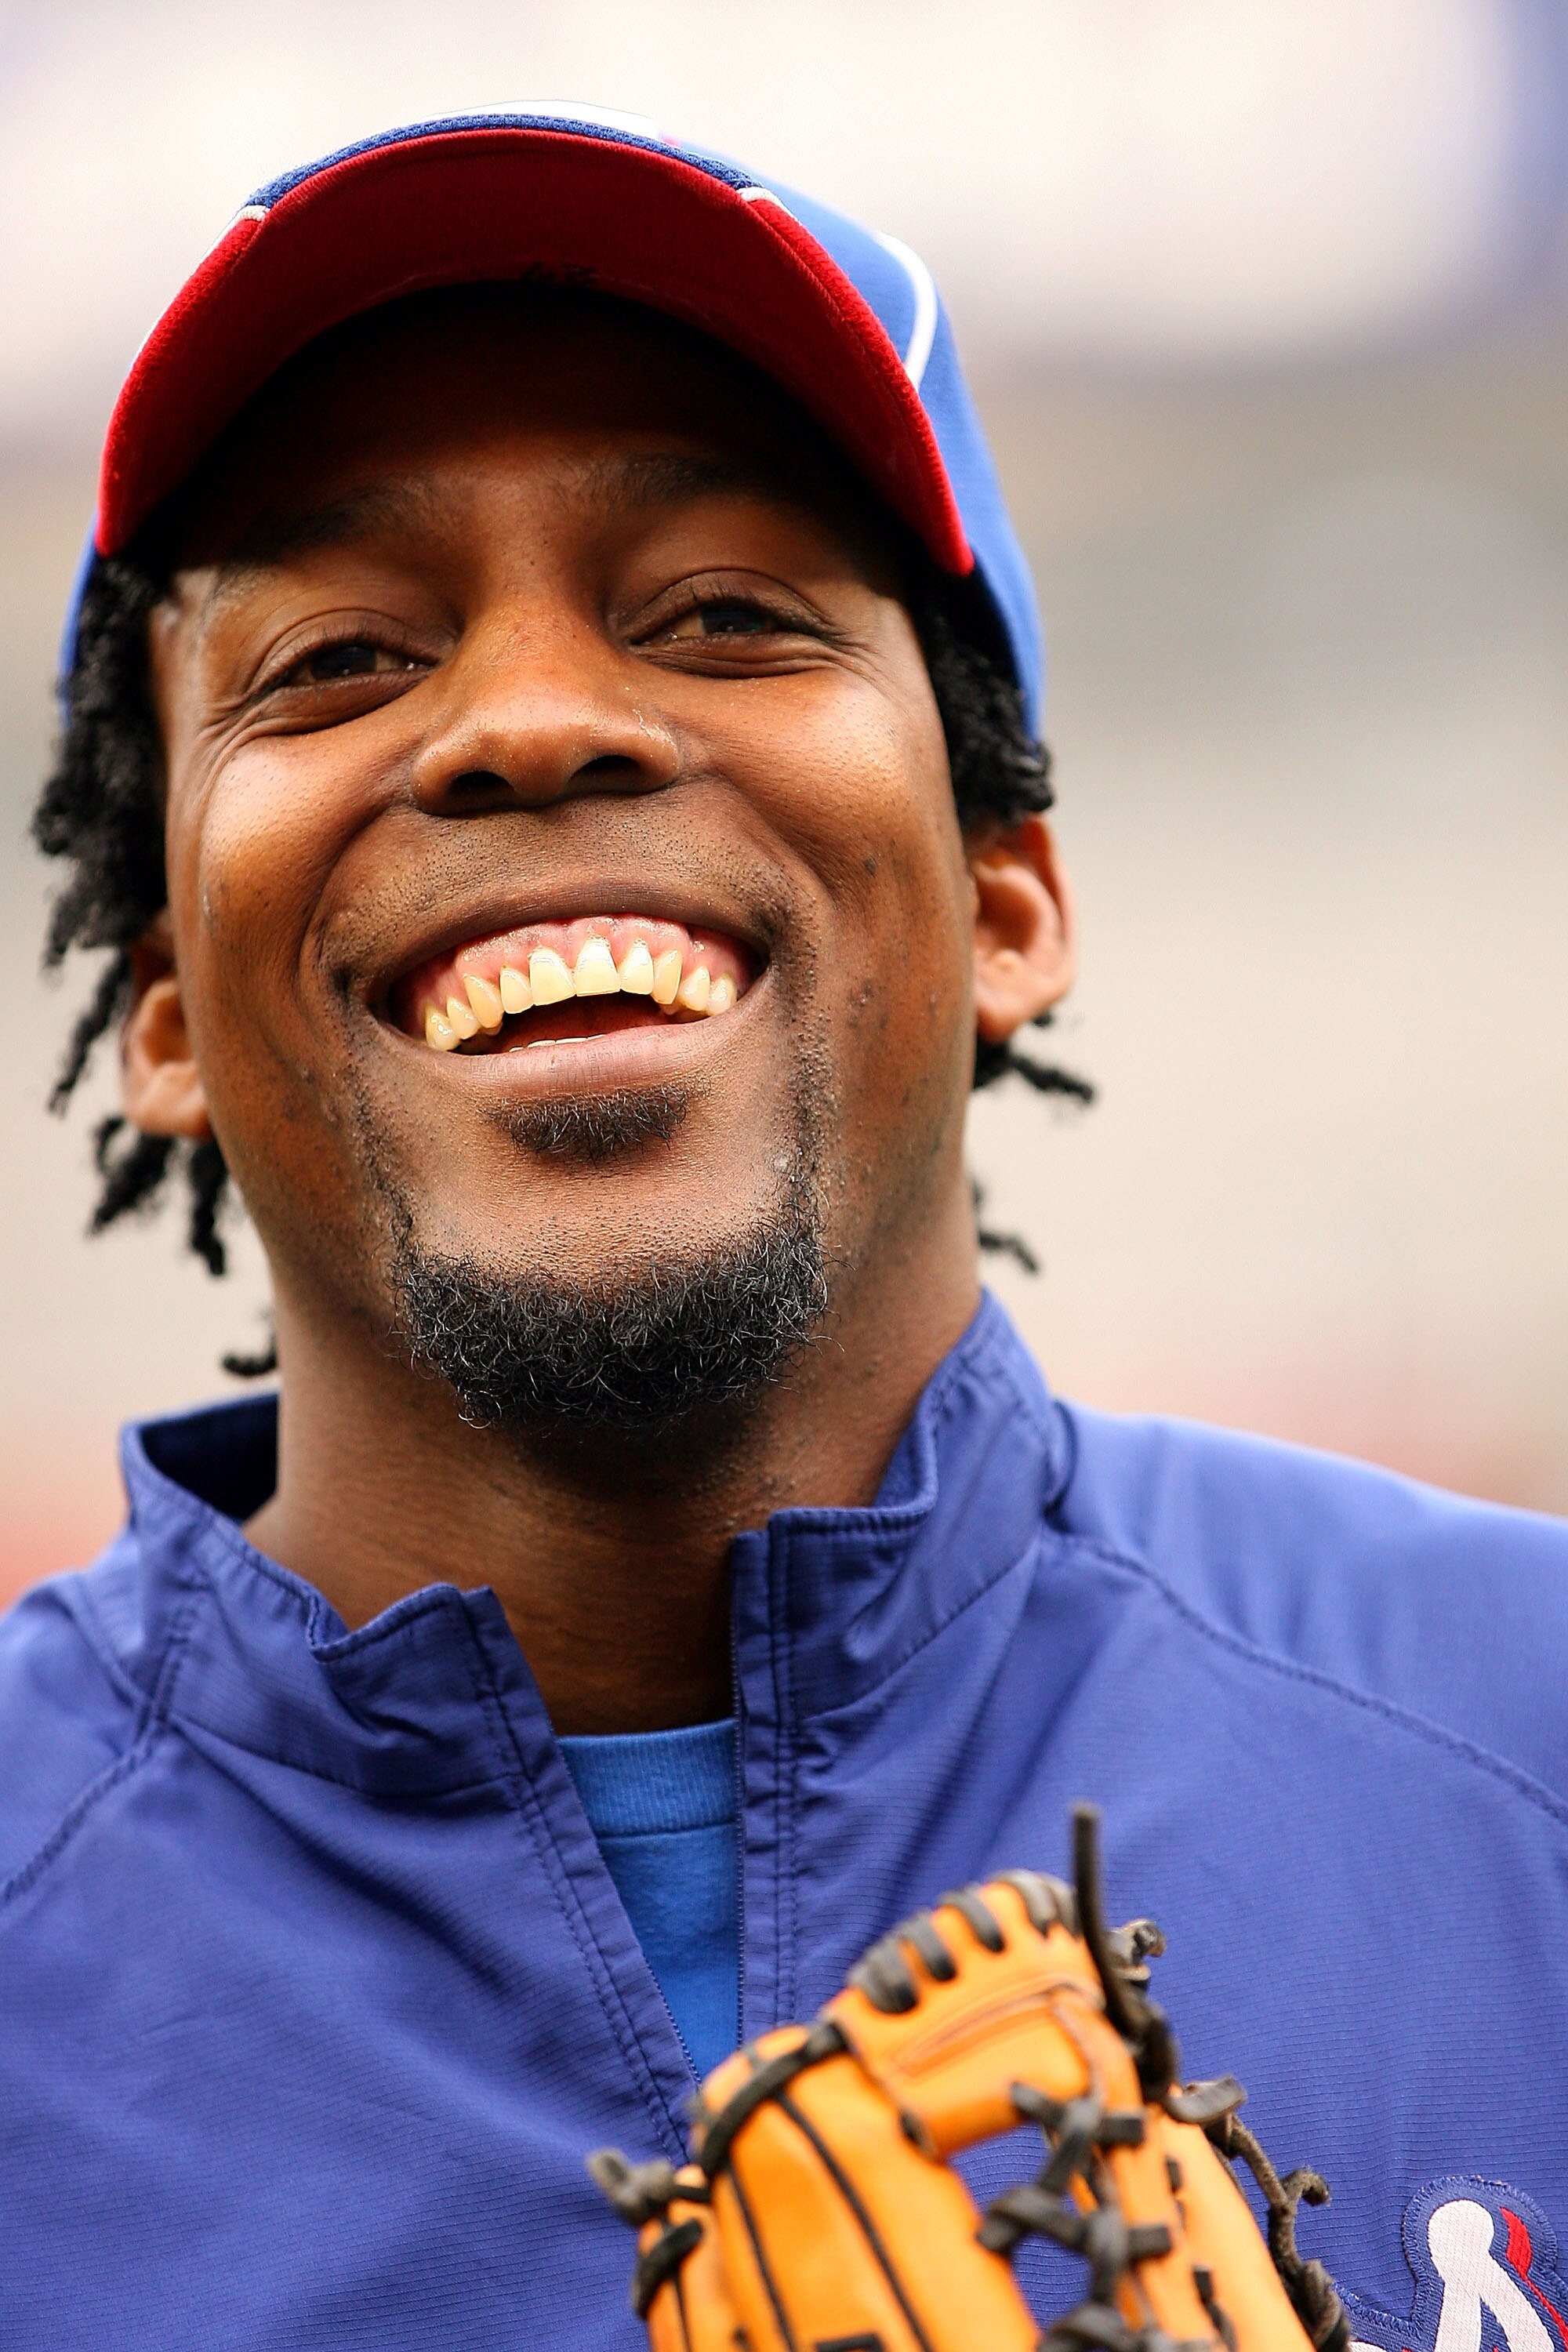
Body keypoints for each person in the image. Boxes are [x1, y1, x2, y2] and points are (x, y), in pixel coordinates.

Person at [5, 110, 1568, 2352]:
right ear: (162, 1006)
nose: (531, 723)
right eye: (341, 659)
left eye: (729, 615)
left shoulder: (1531, 1745)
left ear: (1012, 901)